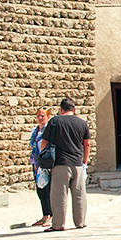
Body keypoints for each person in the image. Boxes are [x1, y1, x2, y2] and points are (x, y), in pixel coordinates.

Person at [40, 97, 91, 232]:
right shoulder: (82, 123)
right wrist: (84, 161)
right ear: (74, 109)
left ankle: (58, 224)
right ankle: (80, 222)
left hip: (60, 164)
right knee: (80, 194)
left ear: (61, 109)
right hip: (78, 164)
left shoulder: (55, 121)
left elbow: (44, 142)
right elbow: (87, 144)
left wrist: (43, 158)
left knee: (59, 195)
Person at [29, 108, 52, 227]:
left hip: (46, 163)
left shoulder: (49, 130)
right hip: (37, 164)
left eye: (42, 115)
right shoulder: (35, 131)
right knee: (40, 190)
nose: (40, 118)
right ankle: (45, 214)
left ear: (48, 116)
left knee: (48, 190)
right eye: (38, 115)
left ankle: (51, 215)